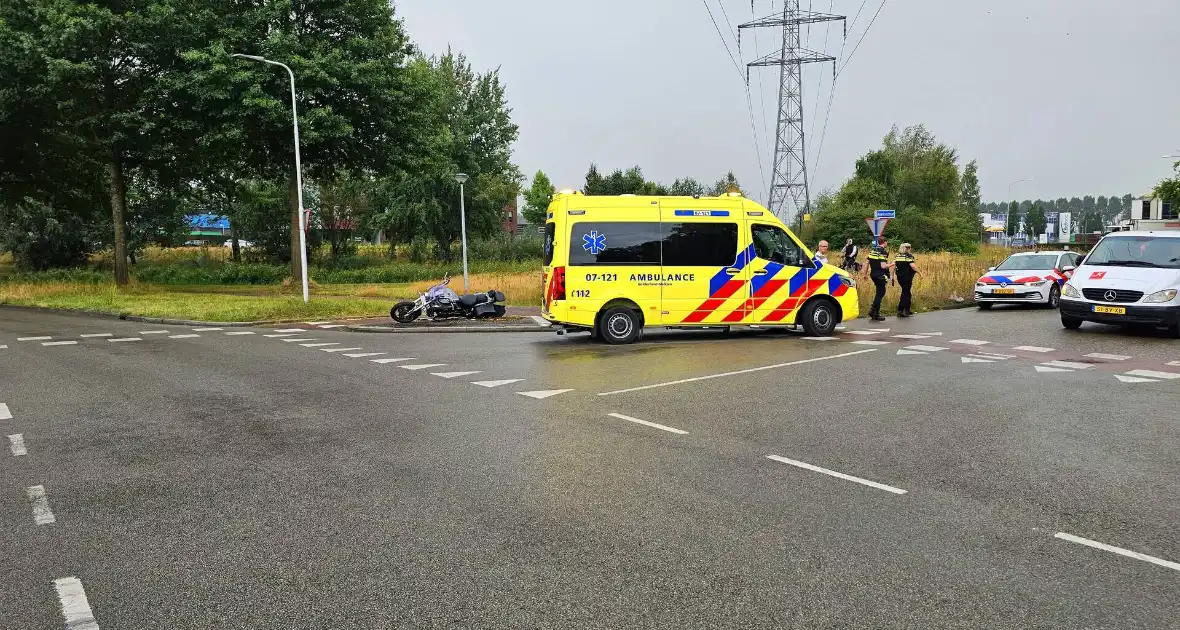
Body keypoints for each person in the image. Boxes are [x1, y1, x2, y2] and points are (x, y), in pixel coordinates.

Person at [866, 236, 893, 322]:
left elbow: (867, 262)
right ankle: (875, 313)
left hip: (873, 274)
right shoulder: (882, 251)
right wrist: (892, 264)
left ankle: (873, 311)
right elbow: (883, 266)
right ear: (885, 242)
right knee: (880, 294)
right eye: (886, 242)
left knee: (879, 293)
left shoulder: (873, 250)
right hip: (880, 275)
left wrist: (865, 273)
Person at [893, 242, 920, 317]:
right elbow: (913, 266)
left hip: (899, 277)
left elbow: (894, 266)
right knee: (906, 293)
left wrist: (892, 276)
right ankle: (901, 310)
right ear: (908, 248)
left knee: (906, 292)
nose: (910, 249)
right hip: (907, 276)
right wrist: (920, 273)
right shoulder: (908, 256)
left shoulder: (897, 256)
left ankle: (907, 310)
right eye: (910, 248)